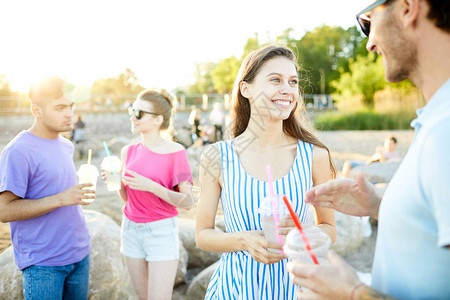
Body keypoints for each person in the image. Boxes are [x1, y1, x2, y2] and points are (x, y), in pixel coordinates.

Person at [287, 0, 450, 299]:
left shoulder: (445, 130)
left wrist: (353, 292)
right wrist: (379, 206)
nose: (370, 43)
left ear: (407, 8)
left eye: (367, 22)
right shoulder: (435, 120)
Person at [195, 45, 337, 299]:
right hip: (235, 290)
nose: (287, 89)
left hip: (297, 290)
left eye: (293, 82)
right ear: (245, 89)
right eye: (275, 80)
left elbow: (329, 228)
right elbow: (202, 235)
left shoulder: (315, 156)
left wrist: (304, 233)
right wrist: (242, 241)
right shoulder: (217, 156)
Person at [0, 76, 93, 299]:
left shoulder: (66, 145)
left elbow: (60, 190)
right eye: (60, 107)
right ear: (37, 110)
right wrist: (61, 198)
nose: (69, 113)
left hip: (80, 254)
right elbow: (4, 211)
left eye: (71, 106)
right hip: (43, 264)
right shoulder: (18, 151)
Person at [113, 89, 194, 300]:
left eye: (139, 113)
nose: (133, 116)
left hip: (160, 232)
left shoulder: (176, 153)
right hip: (130, 230)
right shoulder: (127, 152)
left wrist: (151, 185)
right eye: (132, 110)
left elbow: (188, 202)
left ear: (158, 120)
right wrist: (115, 182)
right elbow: (128, 199)